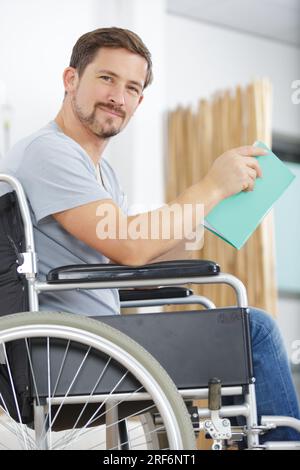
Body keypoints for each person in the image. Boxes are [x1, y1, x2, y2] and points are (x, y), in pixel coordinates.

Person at [1, 27, 299, 444]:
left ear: (139, 100)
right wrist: (211, 186)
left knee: (236, 345)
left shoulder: (102, 172)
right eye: (106, 78)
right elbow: (130, 244)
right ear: (71, 80)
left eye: (132, 88)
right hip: (74, 349)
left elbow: (130, 254)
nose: (118, 97)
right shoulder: (49, 152)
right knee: (256, 332)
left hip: (95, 343)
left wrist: (213, 213)